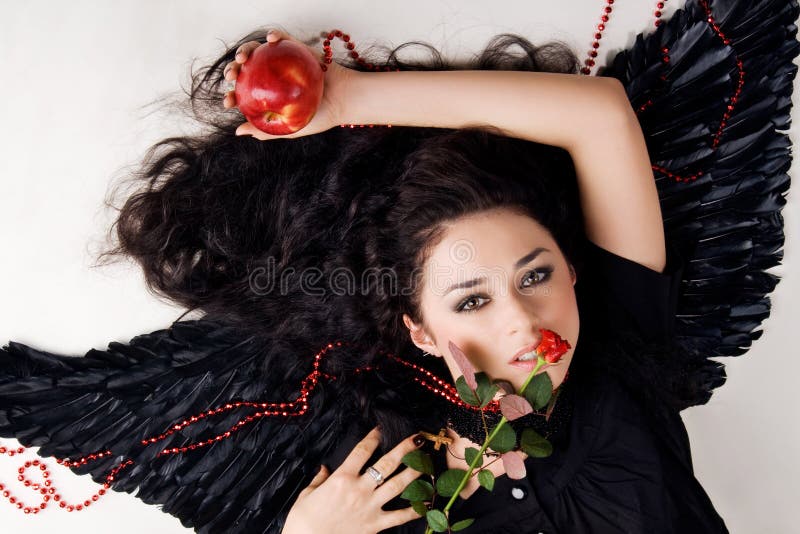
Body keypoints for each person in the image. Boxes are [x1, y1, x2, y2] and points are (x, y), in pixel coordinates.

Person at [2, 0, 797, 531]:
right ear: (421, 330)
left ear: (575, 270)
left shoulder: (624, 351)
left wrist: (344, 99)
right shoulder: (383, 481)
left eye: (535, 274)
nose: (525, 318)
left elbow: (598, 119)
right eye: (472, 300)